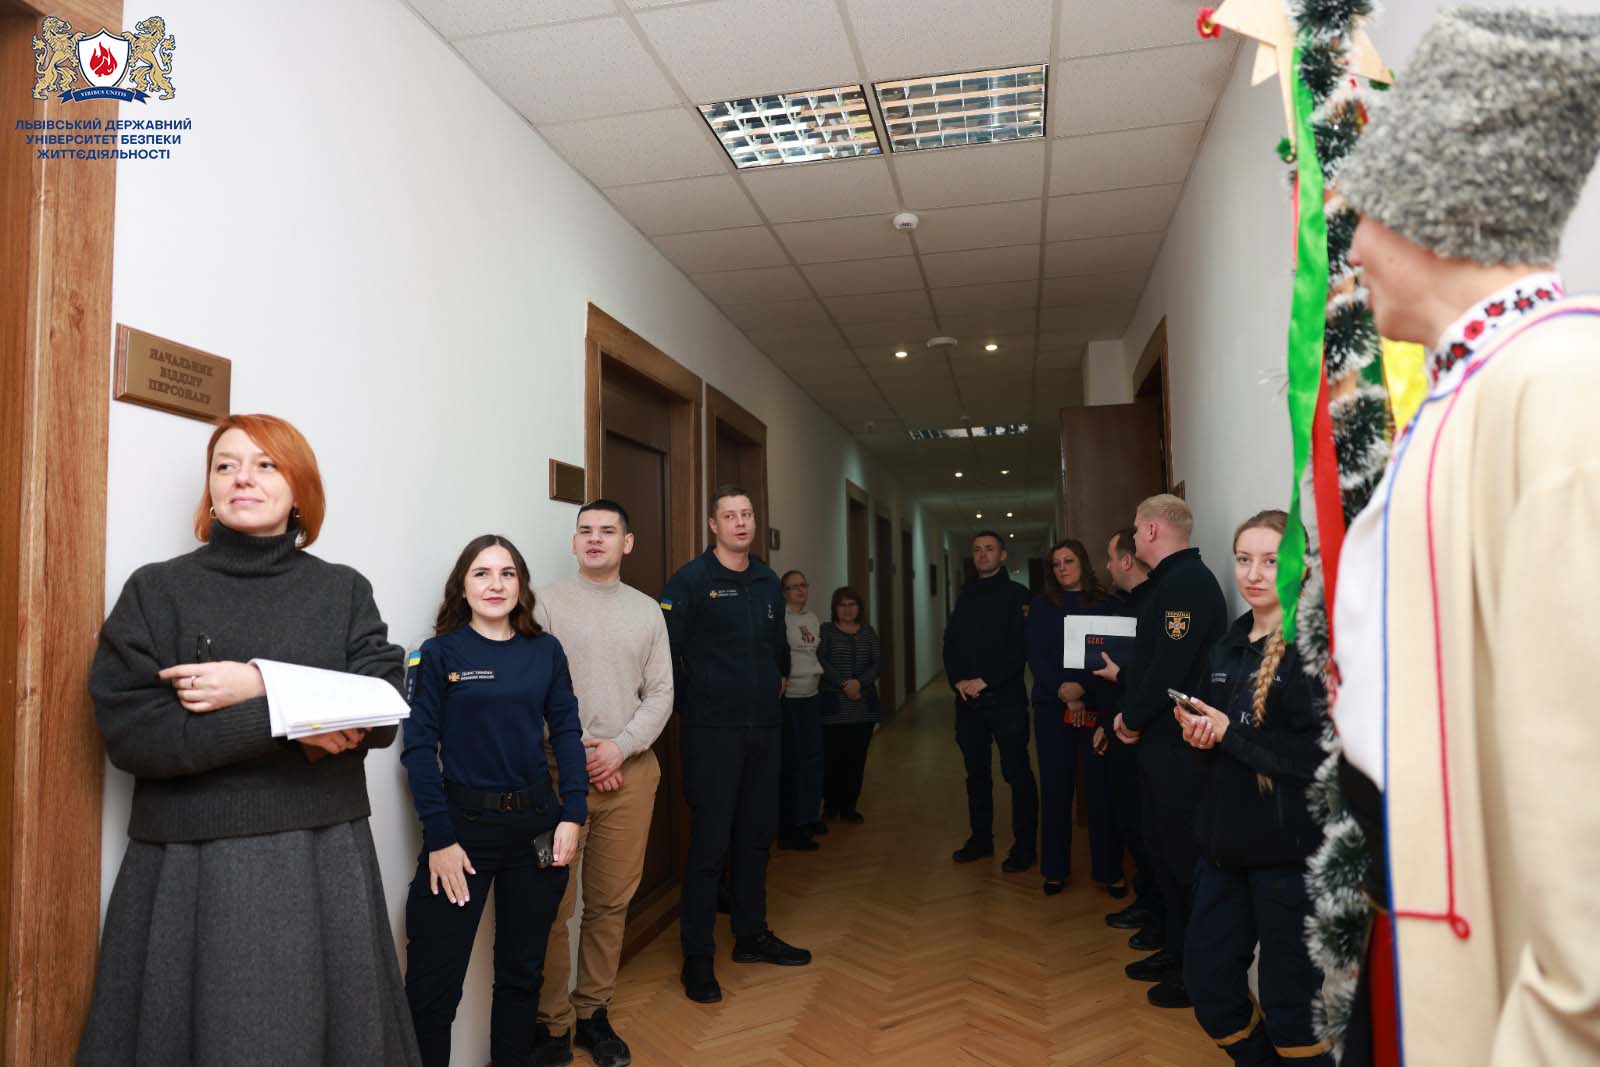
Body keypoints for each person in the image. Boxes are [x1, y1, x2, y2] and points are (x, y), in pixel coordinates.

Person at [1327, 10, 1600, 1062]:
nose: (1354, 249)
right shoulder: (1482, 385)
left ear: (1440, 211)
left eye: (1367, 216)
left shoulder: (1561, 391)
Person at [79, 413, 421, 1066]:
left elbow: (379, 707)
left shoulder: (343, 590)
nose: (243, 478)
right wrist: (286, 720)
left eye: (266, 465)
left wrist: (253, 681)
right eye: (226, 464)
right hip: (187, 863)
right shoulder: (155, 589)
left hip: (324, 856)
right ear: (209, 487)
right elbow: (135, 735)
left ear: (299, 490)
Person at [401, 535, 586, 1067]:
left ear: (521, 585)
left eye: (507, 573)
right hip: (463, 835)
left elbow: (567, 733)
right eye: (481, 573)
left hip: (537, 830)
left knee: (522, 976)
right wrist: (440, 839)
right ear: (462, 586)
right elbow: (418, 751)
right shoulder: (437, 654)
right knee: (432, 987)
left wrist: (573, 814)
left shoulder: (545, 651)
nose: (495, 584)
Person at [1175, 510, 1331, 1065]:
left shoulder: (1315, 649)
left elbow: (1316, 759)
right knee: (1210, 989)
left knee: (1292, 1013)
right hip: (1223, 850)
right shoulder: (1227, 644)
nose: (1254, 573)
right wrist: (1199, 734)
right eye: (1244, 559)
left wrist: (1228, 734)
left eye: (1271, 561)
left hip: (1289, 856)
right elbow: (1219, 738)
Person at [532, 500, 673, 1067]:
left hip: (628, 776)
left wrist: (619, 747)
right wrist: (583, 753)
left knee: (610, 904)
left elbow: (661, 693)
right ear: (573, 543)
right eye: (585, 531)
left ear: (626, 543)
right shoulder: (542, 603)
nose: (595, 539)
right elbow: (530, 687)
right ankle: (552, 1024)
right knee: (551, 906)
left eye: (607, 531)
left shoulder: (647, 611)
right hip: (555, 778)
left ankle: (593, 1013)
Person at [663, 485, 810, 1004]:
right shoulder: (691, 581)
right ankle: (698, 956)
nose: (741, 523)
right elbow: (665, 651)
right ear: (713, 525)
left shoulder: (768, 579)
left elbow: (776, 645)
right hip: (712, 732)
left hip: (764, 728)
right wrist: (692, 702)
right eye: (730, 516)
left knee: (755, 836)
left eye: (747, 514)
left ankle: (751, 934)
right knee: (710, 844)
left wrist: (780, 674)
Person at [1110, 494, 1226, 1009]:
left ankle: (1194, 974)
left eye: (1137, 530)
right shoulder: (1168, 583)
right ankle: (1175, 951)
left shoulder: (1186, 584)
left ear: (1153, 530)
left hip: (1181, 749)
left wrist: (1131, 717)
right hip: (1162, 745)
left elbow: (1169, 669)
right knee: (1160, 850)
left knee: (1182, 860)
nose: (1134, 538)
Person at [1024, 539, 1123, 896]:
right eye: (1056, 564)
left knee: (1100, 791)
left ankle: (1109, 871)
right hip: (1052, 708)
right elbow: (1035, 655)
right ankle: (1054, 870)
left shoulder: (1107, 604)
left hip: (1096, 706)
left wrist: (1081, 689)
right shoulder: (1041, 606)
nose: (1062, 568)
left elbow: (1113, 654)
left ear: (1082, 562)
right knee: (1055, 788)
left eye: (1068, 561)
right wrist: (1063, 691)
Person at [942, 531, 1037, 871]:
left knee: (1017, 774)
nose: (983, 554)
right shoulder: (965, 594)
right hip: (968, 703)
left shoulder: (1019, 596)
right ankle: (980, 840)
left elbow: (1020, 649)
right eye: (978, 550)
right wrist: (958, 681)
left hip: (1005, 701)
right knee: (976, 775)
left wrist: (986, 680)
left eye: (990, 549)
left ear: (1003, 555)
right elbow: (950, 643)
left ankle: (1025, 848)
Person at [1097, 528, 1163, 944]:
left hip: (1148, 734)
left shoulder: (1155, 603)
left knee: (1148, 827)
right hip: (1121, 729)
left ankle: (1158, 912)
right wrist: (1106, 724)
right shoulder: (1123, 606)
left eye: (1110, 558)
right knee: (1130, 820)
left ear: (1125, 560)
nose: (1107, 567)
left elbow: (1155, 676)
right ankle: (1147, 900)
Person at [817, 585, 881, 824]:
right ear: (835, 608)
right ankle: (830, 806)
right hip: (834, 708)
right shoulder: (826, 631)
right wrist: (844, 684)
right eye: (842, 605)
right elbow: (820, 661)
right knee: (832, 760)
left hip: (863, 709)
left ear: (859, 608)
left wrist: (859, 683)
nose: (847, 609)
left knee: (856, 760)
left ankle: (849, 807)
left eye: (851, 604)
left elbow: (877, 663)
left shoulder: (868, 632)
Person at [777, 569, 826, 850]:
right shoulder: (780, 618)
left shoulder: (812, 617)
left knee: (813, 759)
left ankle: (810, 816)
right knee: (794, 763)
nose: (800, 590)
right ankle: (793, 824)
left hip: (812, 695)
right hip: (791, 698)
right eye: (793, 586)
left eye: (803, 585)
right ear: (783, 592)